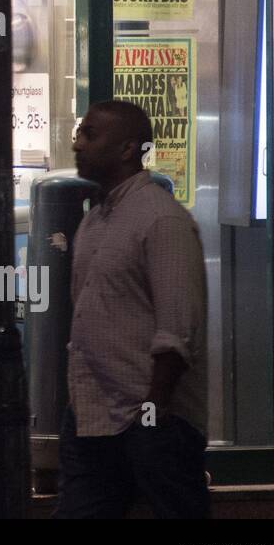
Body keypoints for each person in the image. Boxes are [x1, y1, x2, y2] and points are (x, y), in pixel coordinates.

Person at [56, 100, 209, 519]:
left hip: (150, 420)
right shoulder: (95, 221)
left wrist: (151, 414)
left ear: (126, 149)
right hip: (94, 416)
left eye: (90, 134)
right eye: (79, 133)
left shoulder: (162, 219)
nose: (78, 144)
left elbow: (178, 329)